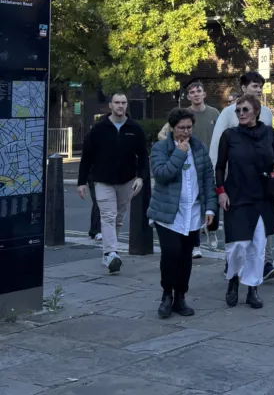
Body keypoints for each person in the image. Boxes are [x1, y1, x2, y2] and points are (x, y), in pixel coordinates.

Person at [215, 93, 274, 309]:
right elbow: (220, 166)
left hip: (262, 197)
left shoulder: (269, 134)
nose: (241, 114)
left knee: (257, 246)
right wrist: (221, 192)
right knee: (236, 246)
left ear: (256, 111)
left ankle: (252, 288)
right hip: (237, 196)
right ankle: (233, 280)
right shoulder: (230, 135)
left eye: (245, 109)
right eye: (238, 110)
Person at [148, 109, 217, 318]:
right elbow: (162, 175)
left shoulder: (199, 148)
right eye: (181, 128)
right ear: (172, 128)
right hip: (168, 213)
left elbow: (207, 179)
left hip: (193, 213)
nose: (185, 132)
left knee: (186, 256)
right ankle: (166, 295)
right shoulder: (160, 148)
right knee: (171, 253)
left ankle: (180, 296)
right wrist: (179, 153)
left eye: (189, 128)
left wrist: (210, 208)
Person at [209, 71, 274, 277]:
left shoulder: (265, 113)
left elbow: (269, 145)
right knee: (236, 224)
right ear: (243, 89)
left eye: (260, 86)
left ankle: (266, 262)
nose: (258, 90)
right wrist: (218, 183)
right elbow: (216, 147)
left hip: (260, 178)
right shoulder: (229, 113)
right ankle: (230, 262)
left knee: (263, 221)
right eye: (254, 86)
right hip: (235, 179)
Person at [76, 92, 149, 274]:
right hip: (103, 180)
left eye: (123, 103)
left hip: (127, 180)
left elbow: (143, 156)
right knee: (108, 216)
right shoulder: (99, 128)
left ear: (127, 105)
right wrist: (82, 182)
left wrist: (141, 177)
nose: (120, 106)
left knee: (118, 217)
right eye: (117, 102)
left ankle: (108, 254)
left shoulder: (135, 128)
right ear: (110, 105)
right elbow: (87, 156)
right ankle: (112, 253)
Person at [157, 80, 221, 258]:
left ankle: (212, 229)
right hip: (188, 162)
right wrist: (174, 147)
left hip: (210, 163)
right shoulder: (184, 115)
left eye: (198, 91)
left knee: (211, 197)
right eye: (192, 92)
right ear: (188, 96)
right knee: (193, 200)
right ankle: (196, 244)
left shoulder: (214, 113)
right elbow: (163, 134)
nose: (196, 94)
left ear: (204, 93)